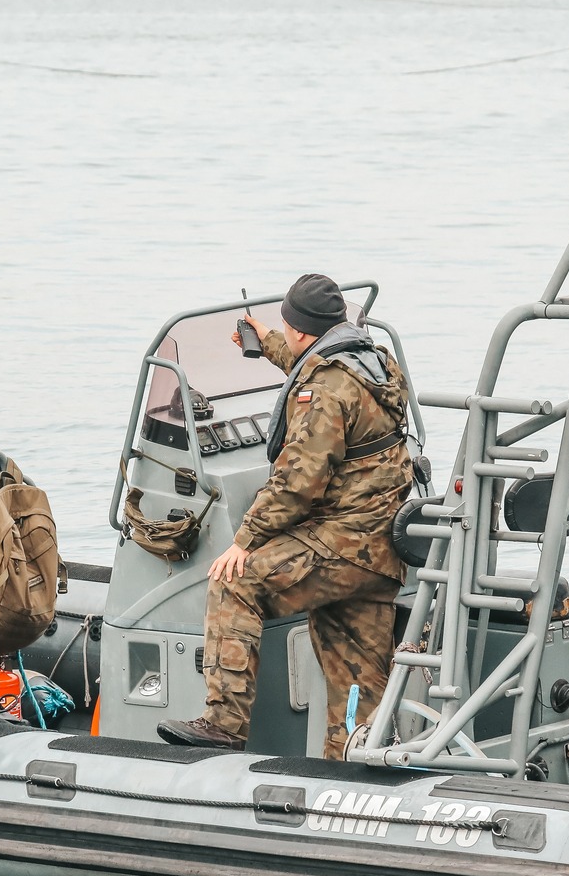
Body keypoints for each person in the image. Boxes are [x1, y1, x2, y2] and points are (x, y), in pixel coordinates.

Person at [159, 274, 414, 758]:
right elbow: (318, 364)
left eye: (287, 328)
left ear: (300, 329)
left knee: (236, 582)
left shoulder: (324, 389)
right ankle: (353, 770)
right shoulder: (376, 364)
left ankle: (224, 723)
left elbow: (297, 484)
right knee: (356, 679)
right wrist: (267, 343)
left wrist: (246, 540)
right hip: (381, 554)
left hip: (339, 545)